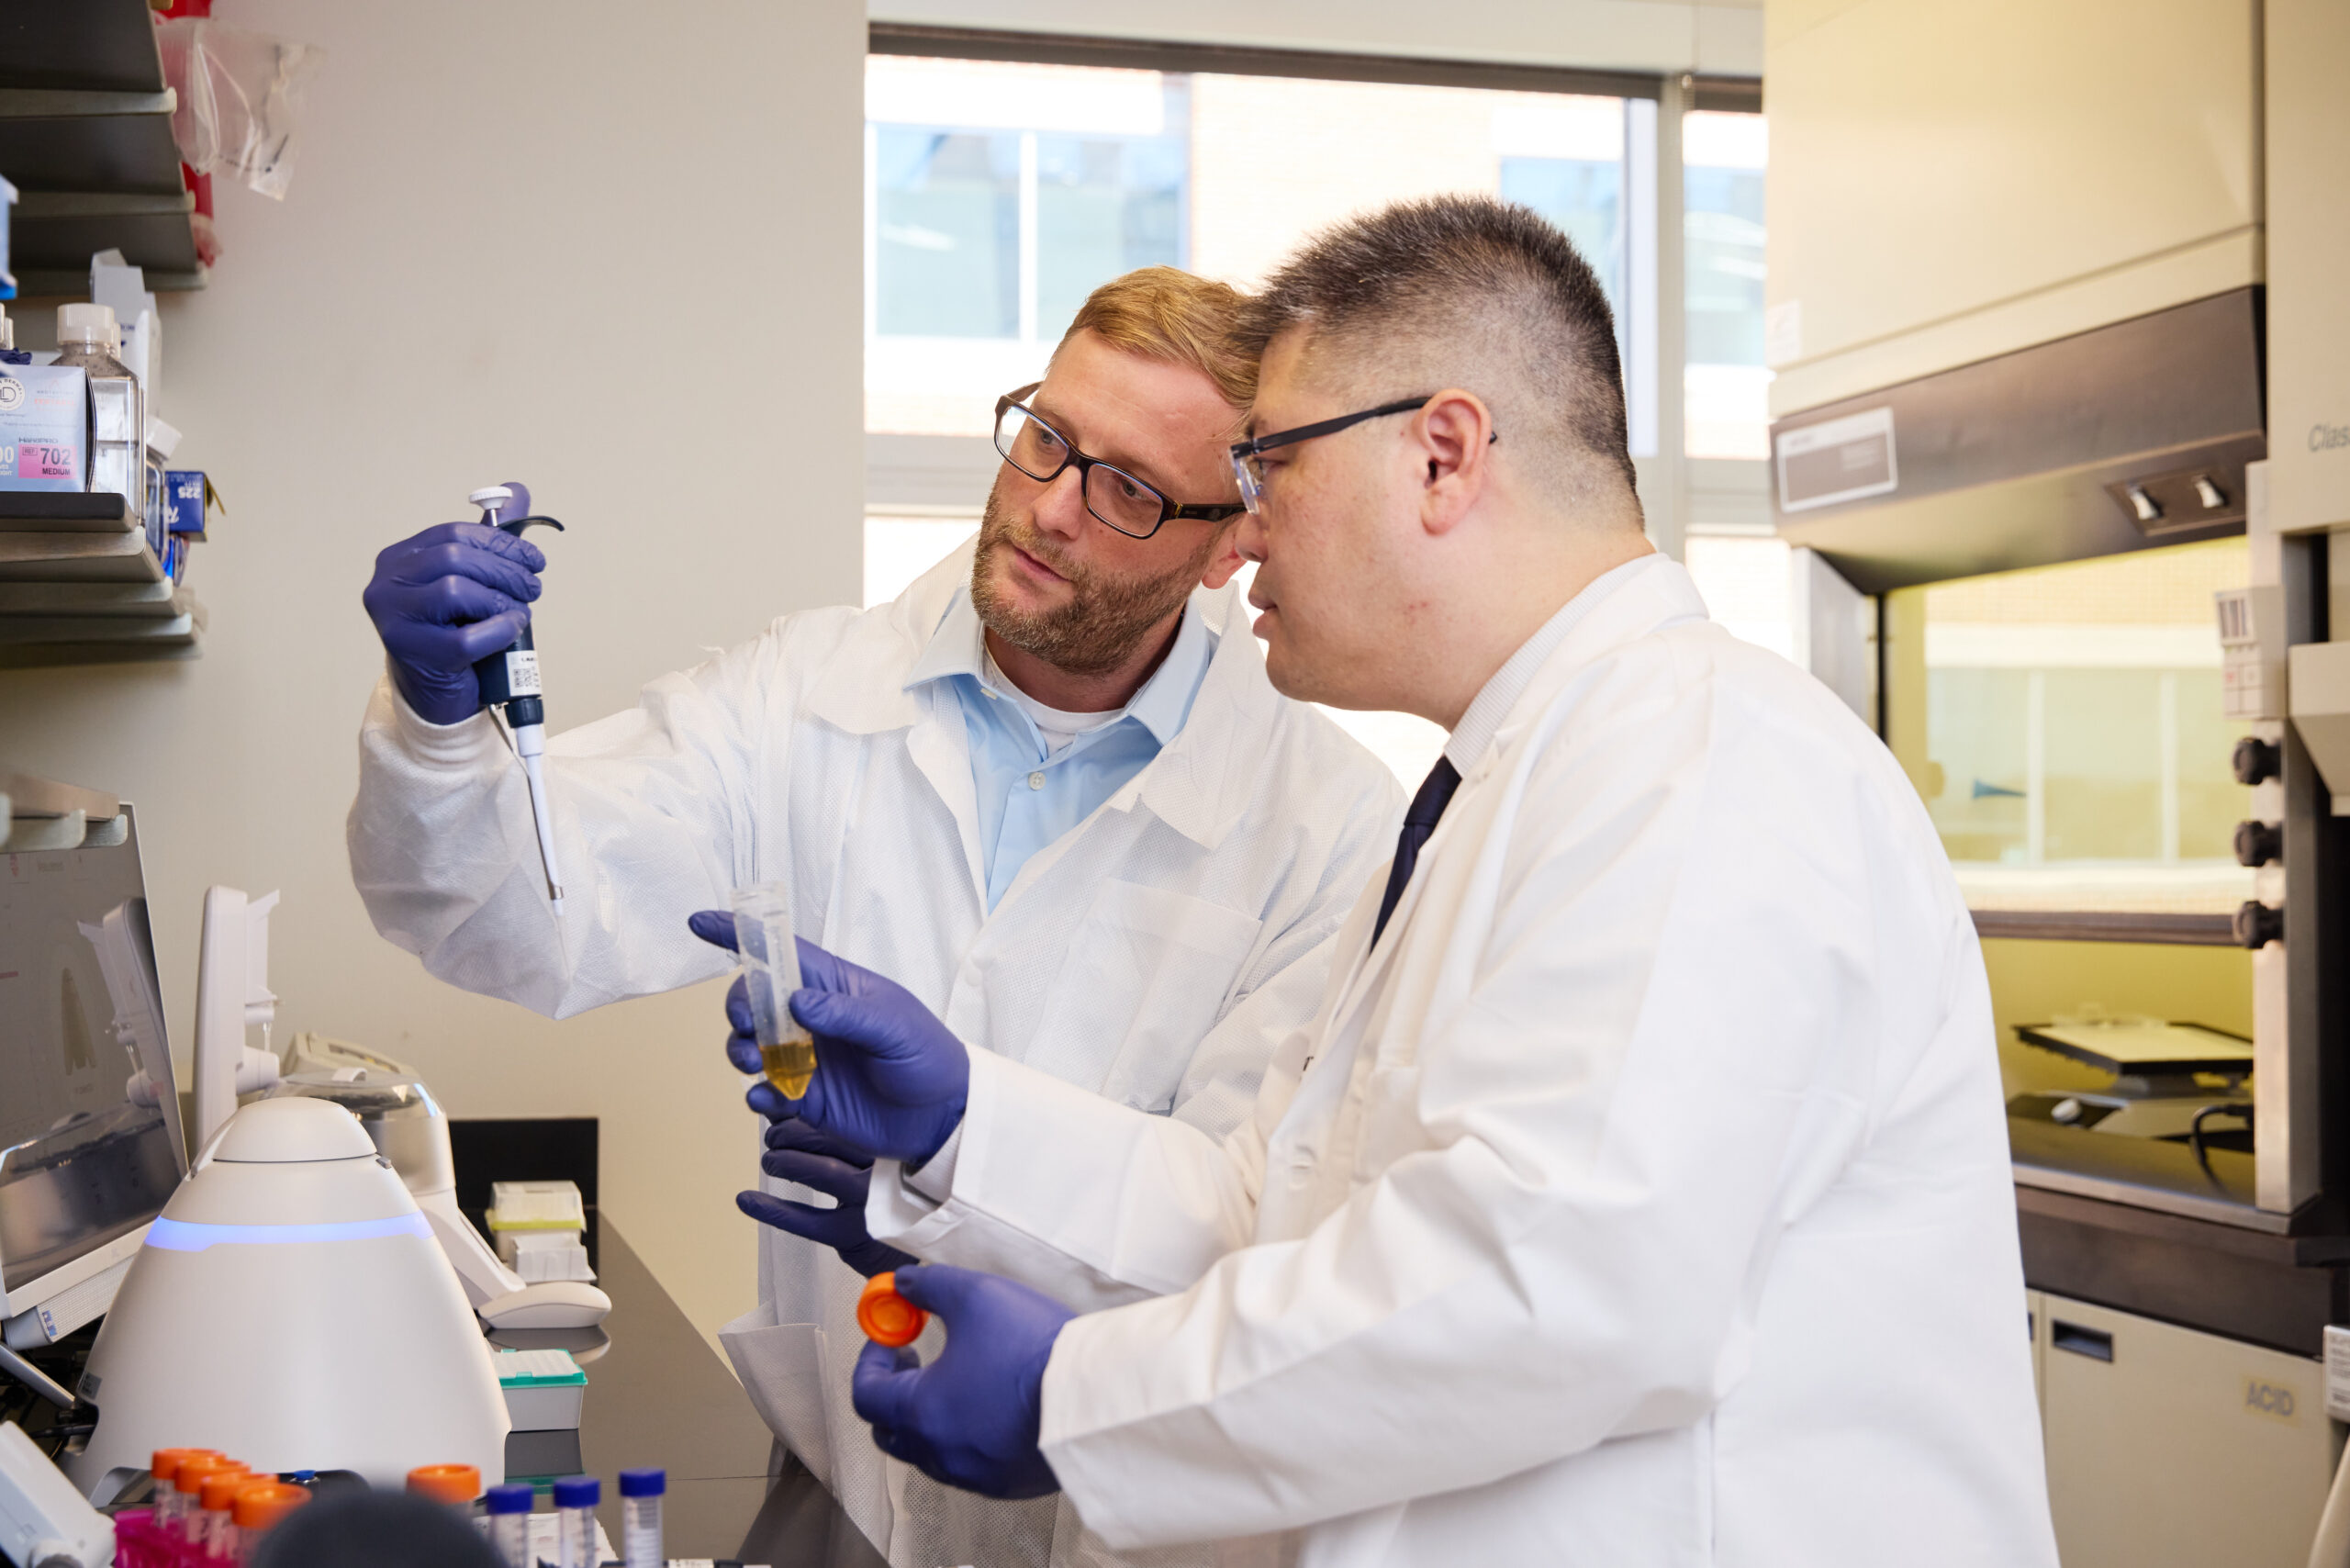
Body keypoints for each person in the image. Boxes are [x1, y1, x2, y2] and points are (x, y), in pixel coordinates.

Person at [744, 196, 2061, 1566]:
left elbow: (1551, 1287)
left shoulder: (1700, 763)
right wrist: (968, 1118)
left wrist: (1075, 1402)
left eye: (1266, 470)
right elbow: (1276, 1212)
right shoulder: (1490, 796)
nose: (1234, 539)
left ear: (1443, 456)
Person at [346, 266, 1404, 1568]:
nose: (1049, 508)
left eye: (1126, 489)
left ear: (1233, 536)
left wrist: (962, 1155)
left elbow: (1250, 1238)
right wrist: (442, 722)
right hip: (846, 1494)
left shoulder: (1328, 826)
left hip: (1125, 1526)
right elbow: (509, 914)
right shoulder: (805, 696)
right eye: (1045, 437)